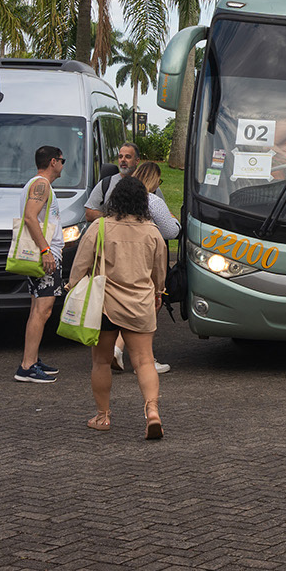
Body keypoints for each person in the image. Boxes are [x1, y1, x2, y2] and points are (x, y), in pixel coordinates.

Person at [65, 175, 168, 439]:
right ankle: (152, 412)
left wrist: (71, 286)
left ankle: (102, 417)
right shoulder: (152, 232)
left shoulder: (99, 227)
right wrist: (158, 292)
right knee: (144, 361)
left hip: (105, 305)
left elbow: (80, 264)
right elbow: (159, 272)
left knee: (101, 361)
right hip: (140, 304)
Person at [110, 160, 176, 377]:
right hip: (145, 257)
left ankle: (117, 347)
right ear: (154, 180)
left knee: (126, 304)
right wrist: (175, 221)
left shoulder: (120, 199)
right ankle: (145, 360)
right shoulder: (154, 201)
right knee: (149, 306)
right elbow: (170, 232)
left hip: (119, 256)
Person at [15, 145, 66, 384]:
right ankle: (27, 366)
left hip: (43, 254)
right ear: (53, 161)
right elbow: (29, 216)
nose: (63, 165)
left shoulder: (38, 184)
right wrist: (46, 250)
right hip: (44, 256)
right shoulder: (41, 184)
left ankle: (32, 359)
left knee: (37, 308)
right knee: (42, 310)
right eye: (62, 160)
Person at [84, 142, 140, 220]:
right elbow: (89, 213)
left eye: (128, 157)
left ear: (137, 161)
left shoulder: (146, 183)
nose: (123, 160)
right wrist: (111, 218)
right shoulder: (106, 184)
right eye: (120, 157)